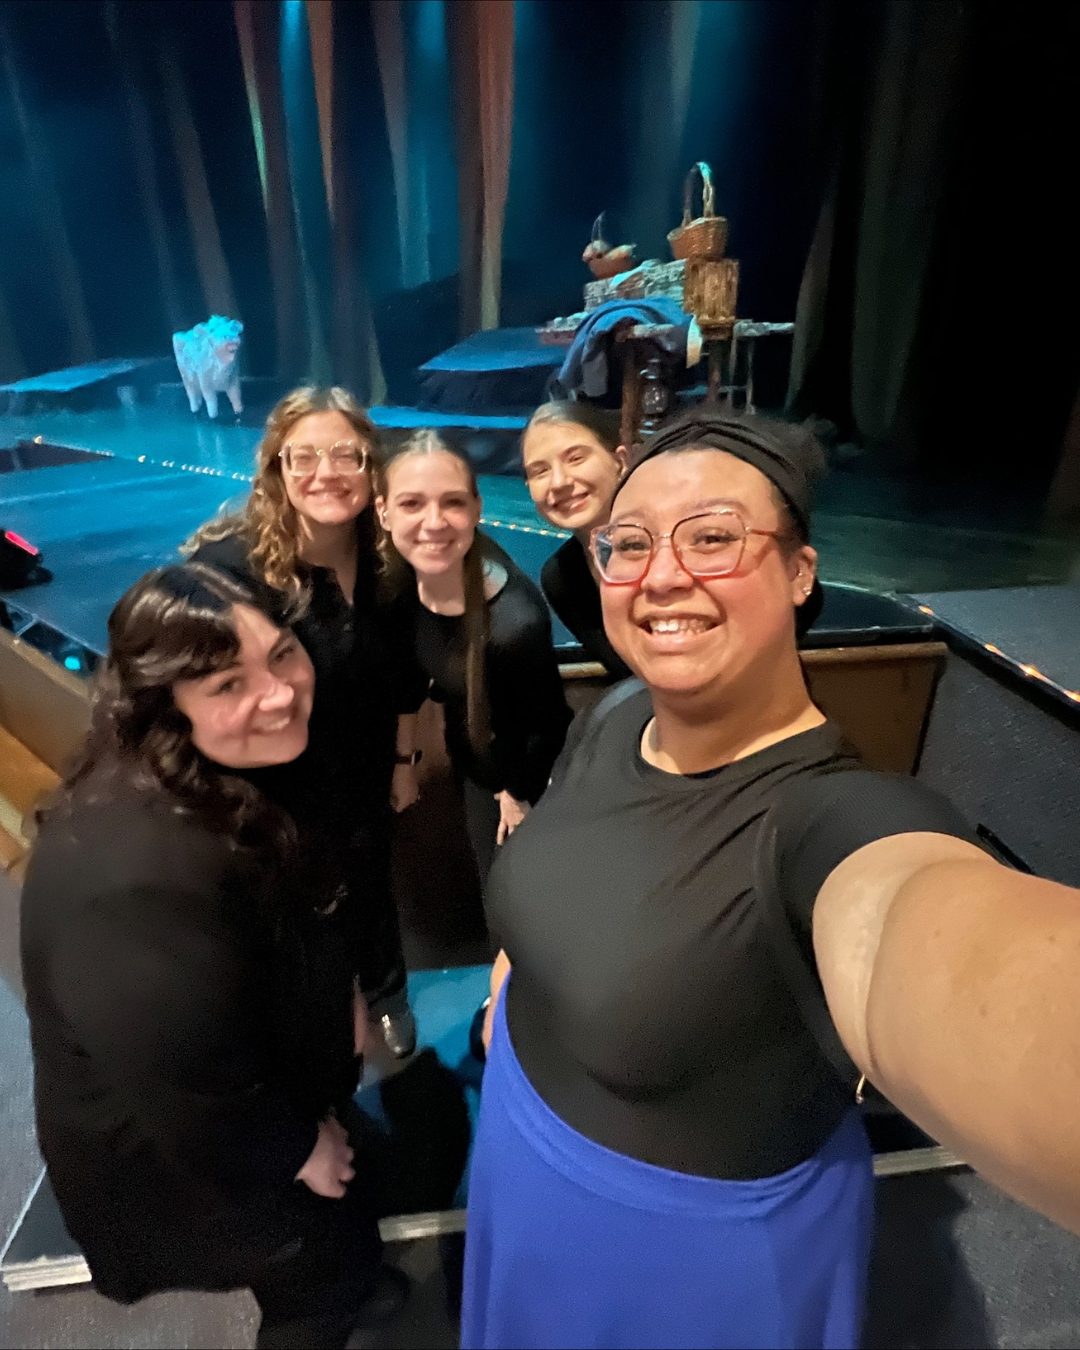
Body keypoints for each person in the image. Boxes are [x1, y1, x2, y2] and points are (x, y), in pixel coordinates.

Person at [463, 409, 1080, 1350]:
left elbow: (943, 939)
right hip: (522, 1165)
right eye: (628, 545)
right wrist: (518, 979)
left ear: (800, 570)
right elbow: (570, 865)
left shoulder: (834, 826)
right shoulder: (620, 711)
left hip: (683, 1266)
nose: (664, 573)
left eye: (713, 537)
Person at [20, 564, 469, 1349]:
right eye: (229, 684)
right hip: (189, 1155)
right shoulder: (132, 873)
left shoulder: (242, 764)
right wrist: (296, 1149)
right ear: (164, 706)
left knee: (347, 1220)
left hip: (268, 1079)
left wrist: (343, 1000)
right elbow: (184, 1078)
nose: (280, 694)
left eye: (283, 654)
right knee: (320, 1276)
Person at [188, 387, 423, 1058]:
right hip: (281, 792)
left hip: (367, 771)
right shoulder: (232, 572)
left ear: (372, 467)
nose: (326, 473)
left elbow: (404, 675)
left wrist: (405, 764)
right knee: (301, 921)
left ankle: (386, 996)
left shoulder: (388, 560)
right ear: (277, 469)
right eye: (305, 457)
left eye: (346, 455)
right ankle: (323, 1027)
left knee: (373, 888)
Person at [376, 429, 572, 882]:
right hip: (480, 769)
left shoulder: (513, 622)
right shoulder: (404, 581)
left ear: (477, 510)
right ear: (382, 513)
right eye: (411, 504)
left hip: (525, 779)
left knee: (514, 907)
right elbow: (408, 676)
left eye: (453, 502)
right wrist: (403, 764)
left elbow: (545, 727)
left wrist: (518, 793)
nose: (434, 522)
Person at [521, 400, 631, 678]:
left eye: (576, 458)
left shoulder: (677, 549)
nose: (559, 482)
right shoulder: (562, 578)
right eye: (540, 471)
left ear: (620, 460)